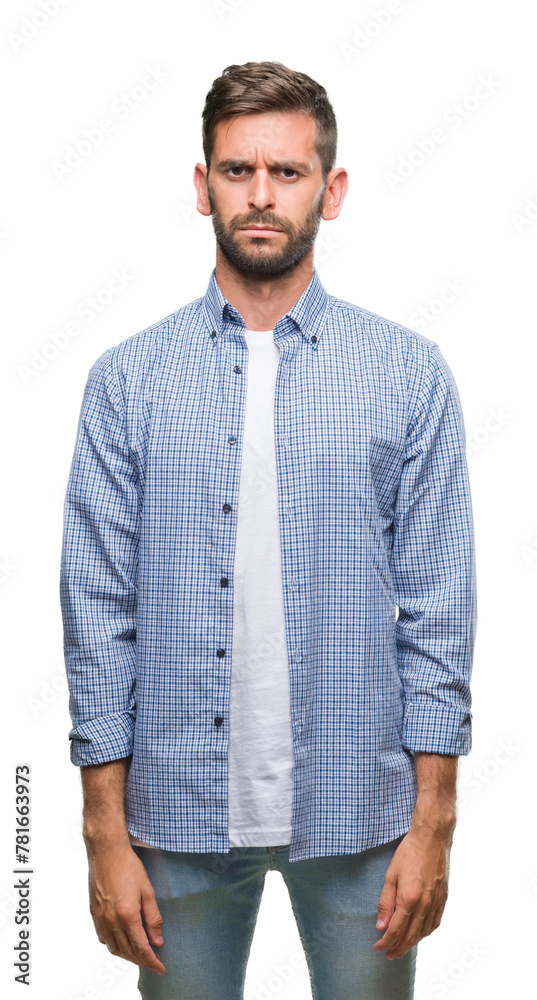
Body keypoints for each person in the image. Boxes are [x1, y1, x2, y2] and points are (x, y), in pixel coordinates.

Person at [59, 60, 477, 1000]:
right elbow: (97, 620)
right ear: (201, 183)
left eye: (286, 172)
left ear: (329, 192)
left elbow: (438, 613)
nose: (259, 195)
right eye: (237, 170)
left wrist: (433, 824)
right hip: (172, 820)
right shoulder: (126, 383)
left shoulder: (405, 375)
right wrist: (102, 832)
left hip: (363, 816)